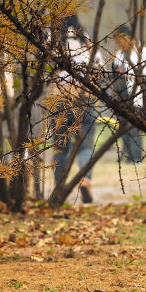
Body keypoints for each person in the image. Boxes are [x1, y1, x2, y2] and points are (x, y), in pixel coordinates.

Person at [52, 15, 102, 204]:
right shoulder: (87, 39)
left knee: (61, 147)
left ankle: (59, 188)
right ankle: (85, 179)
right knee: (86, 145)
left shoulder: (53, 41)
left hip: (61, 100)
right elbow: (99, 68)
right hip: (86, 99)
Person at [111, 24, 146, 165]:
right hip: (121, 95)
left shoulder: (142, 51)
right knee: (123, 126)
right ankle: (127, 155)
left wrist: (128, 73)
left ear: (128, 37)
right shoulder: (119, 53)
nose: (119, 42)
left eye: (121, 38)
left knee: (134, 126)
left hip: (135, 94)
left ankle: (136, 157)